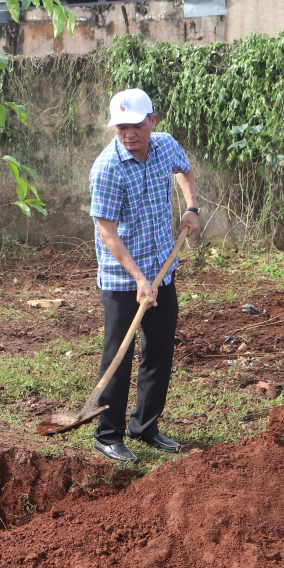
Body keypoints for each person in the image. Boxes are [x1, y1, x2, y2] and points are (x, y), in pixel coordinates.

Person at [87, 88, 200, 464]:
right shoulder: (107, 168)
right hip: (123, 279)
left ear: (152, 121)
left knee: (160, 349)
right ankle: (107, 434)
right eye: (121, 127)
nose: (129, 134)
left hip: (162, 269)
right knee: (118, 355)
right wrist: (137, 278)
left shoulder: (165, 146)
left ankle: (144, 426)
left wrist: (191, 207)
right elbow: (107, 232)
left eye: (136, 125)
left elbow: (185, 169)